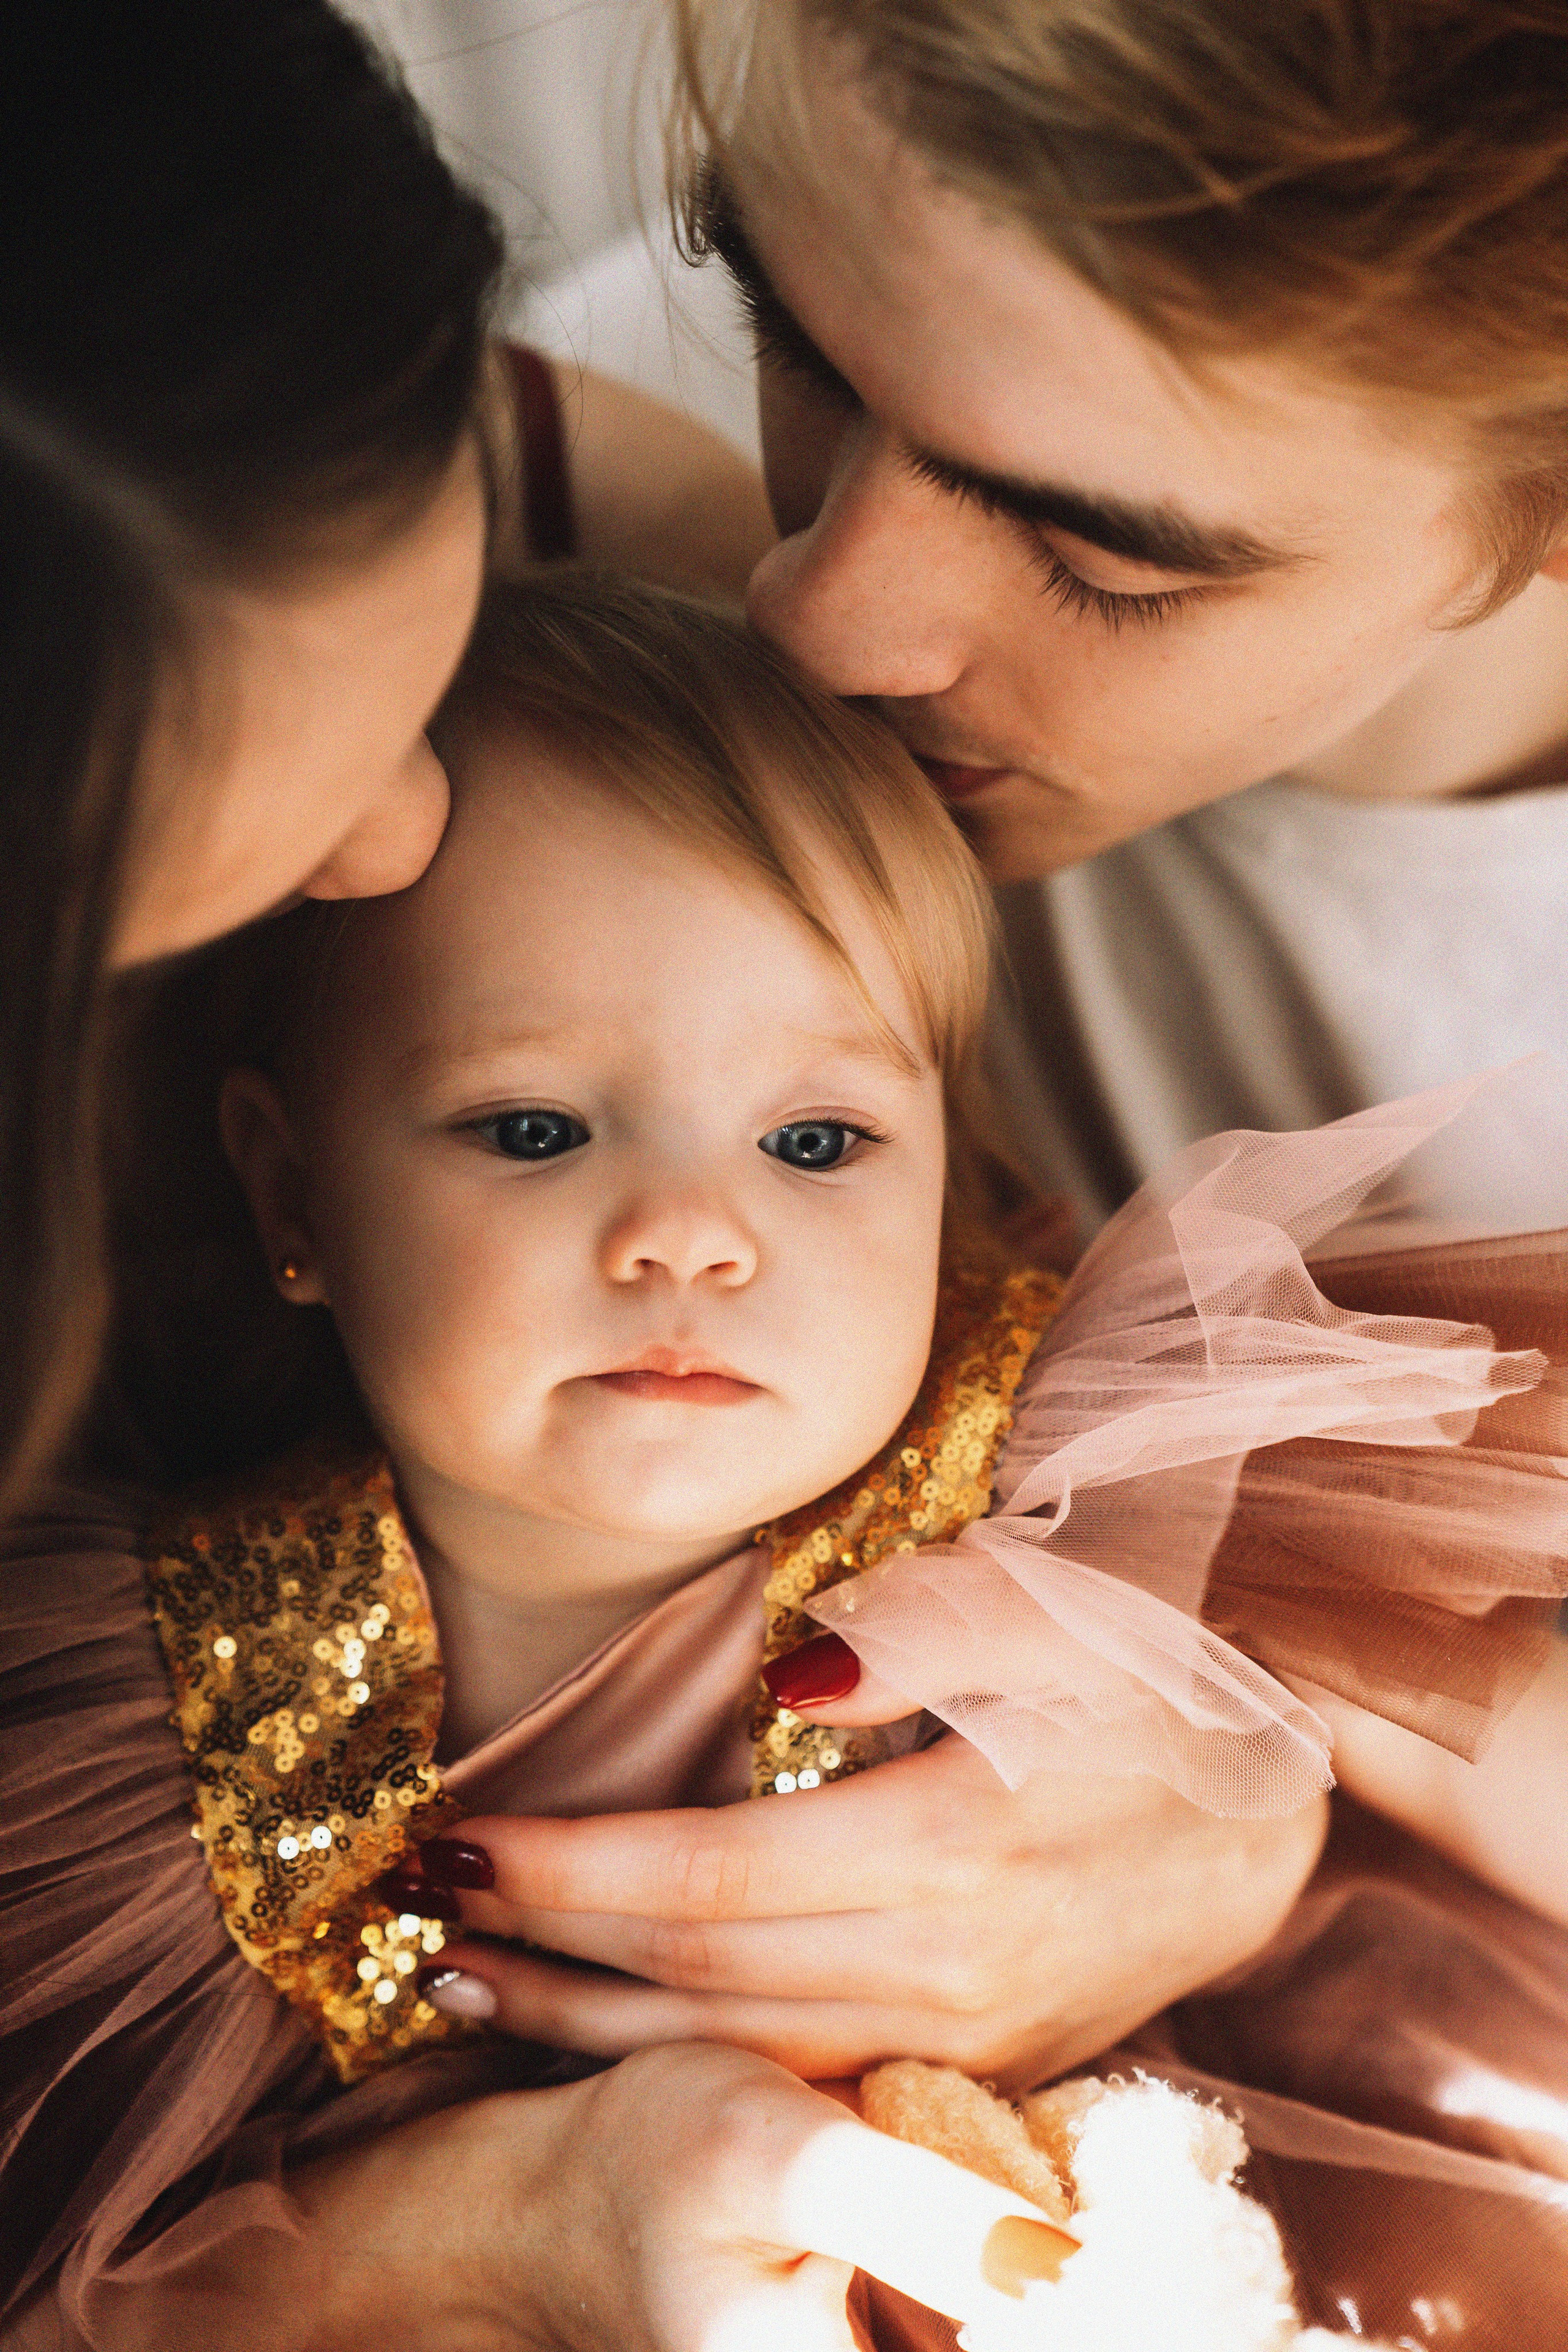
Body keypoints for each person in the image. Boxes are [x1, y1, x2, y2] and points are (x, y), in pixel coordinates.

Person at [17, 571, 1566, 2347]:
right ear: (294, 1189)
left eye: (816, 1139)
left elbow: (1482, 1721)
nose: (690, 1236)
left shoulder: (1067, 1457)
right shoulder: (126, 1727)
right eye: (533, 1129)